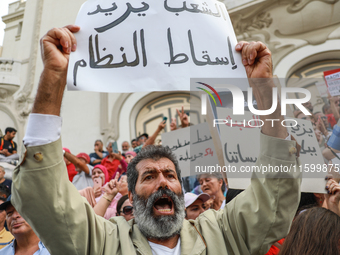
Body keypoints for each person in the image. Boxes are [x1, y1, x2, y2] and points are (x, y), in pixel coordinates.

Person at [11, 25, 301, 254]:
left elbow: (273, 196)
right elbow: (49, 202)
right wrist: (53, 75)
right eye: (149, 175)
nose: (163, 181)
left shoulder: (222, 231)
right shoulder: (104, 241)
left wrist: (264, 92)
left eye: (170, 175)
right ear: (133, 196)